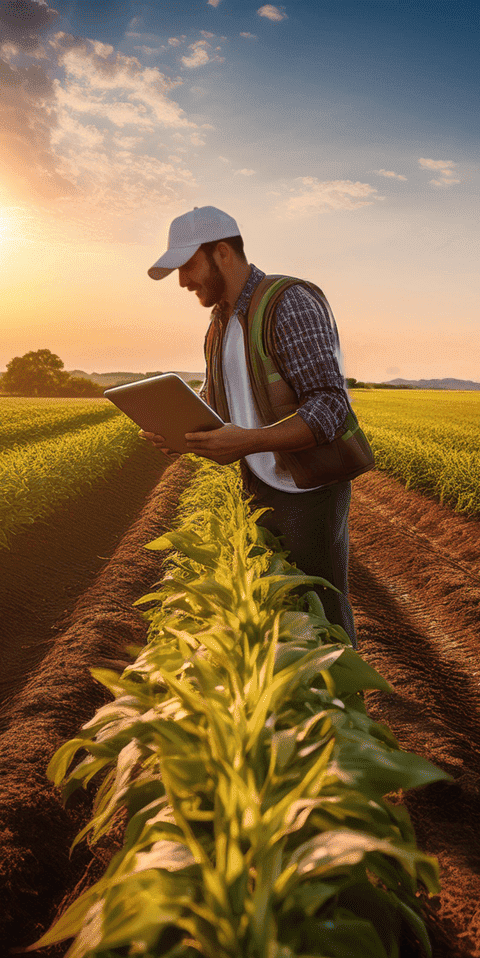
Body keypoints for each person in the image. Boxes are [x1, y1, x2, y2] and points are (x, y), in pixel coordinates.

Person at [142, 205, 361, 648]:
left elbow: (329, 406)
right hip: (258, 483)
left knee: (321, 615)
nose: (182, 282)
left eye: (187, 266)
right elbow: (219, 399)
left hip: (307, 489)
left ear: (222, 252)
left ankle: (341, 706)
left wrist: (248, 442)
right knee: (278, 613)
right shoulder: (219, 322)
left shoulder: (288, 302)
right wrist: (179, 429)